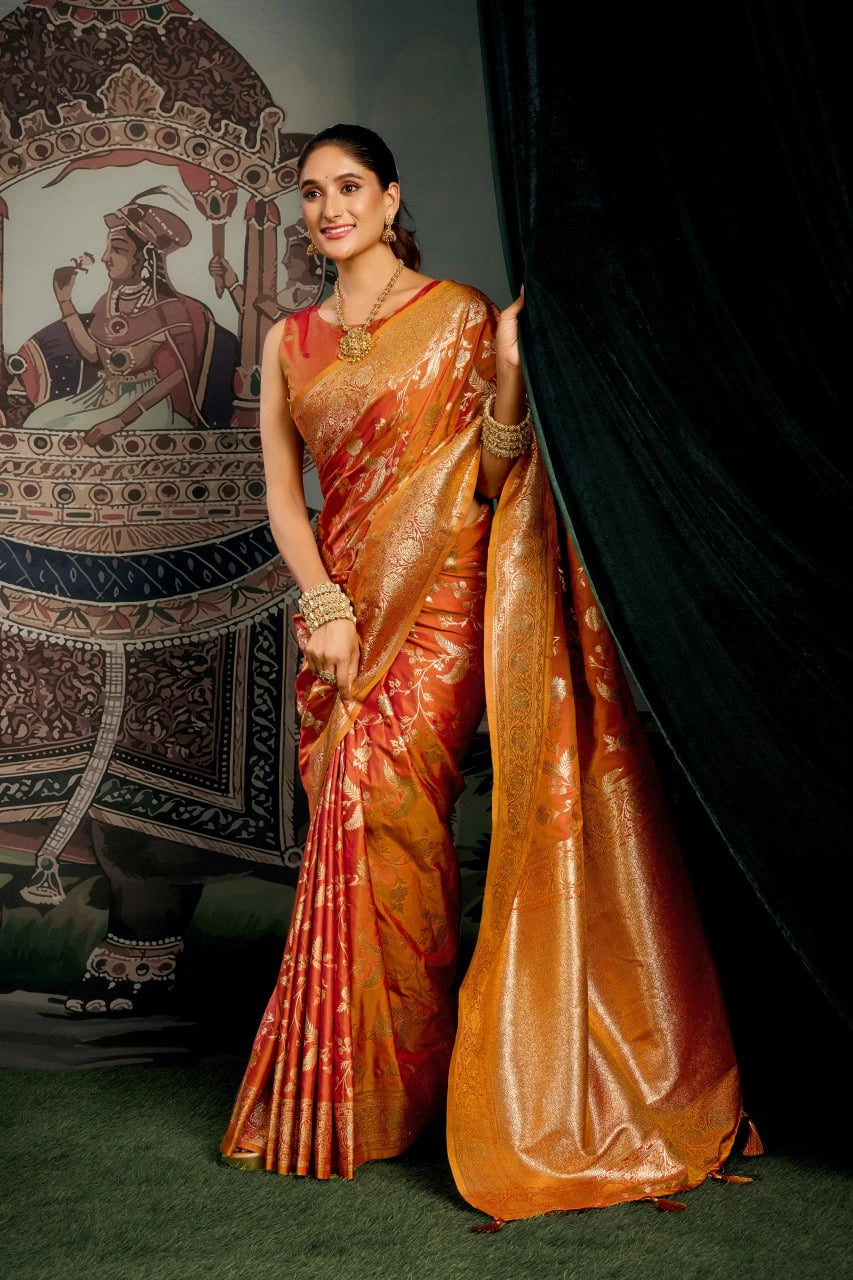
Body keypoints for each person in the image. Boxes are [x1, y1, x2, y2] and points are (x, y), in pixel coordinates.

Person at [220, 124, 746, 1223]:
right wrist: (321, 606)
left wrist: (507, 371)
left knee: (400, 820)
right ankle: (366, 1094)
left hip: (444, 610)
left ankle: (417, 1081)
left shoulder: (456, 316)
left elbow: (496, 471)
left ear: (390, 195)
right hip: (340, 614)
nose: (328, 209)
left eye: (348, 186)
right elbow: (282, 490)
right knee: (347, 820)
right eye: (311, 194)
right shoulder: (287, 339)